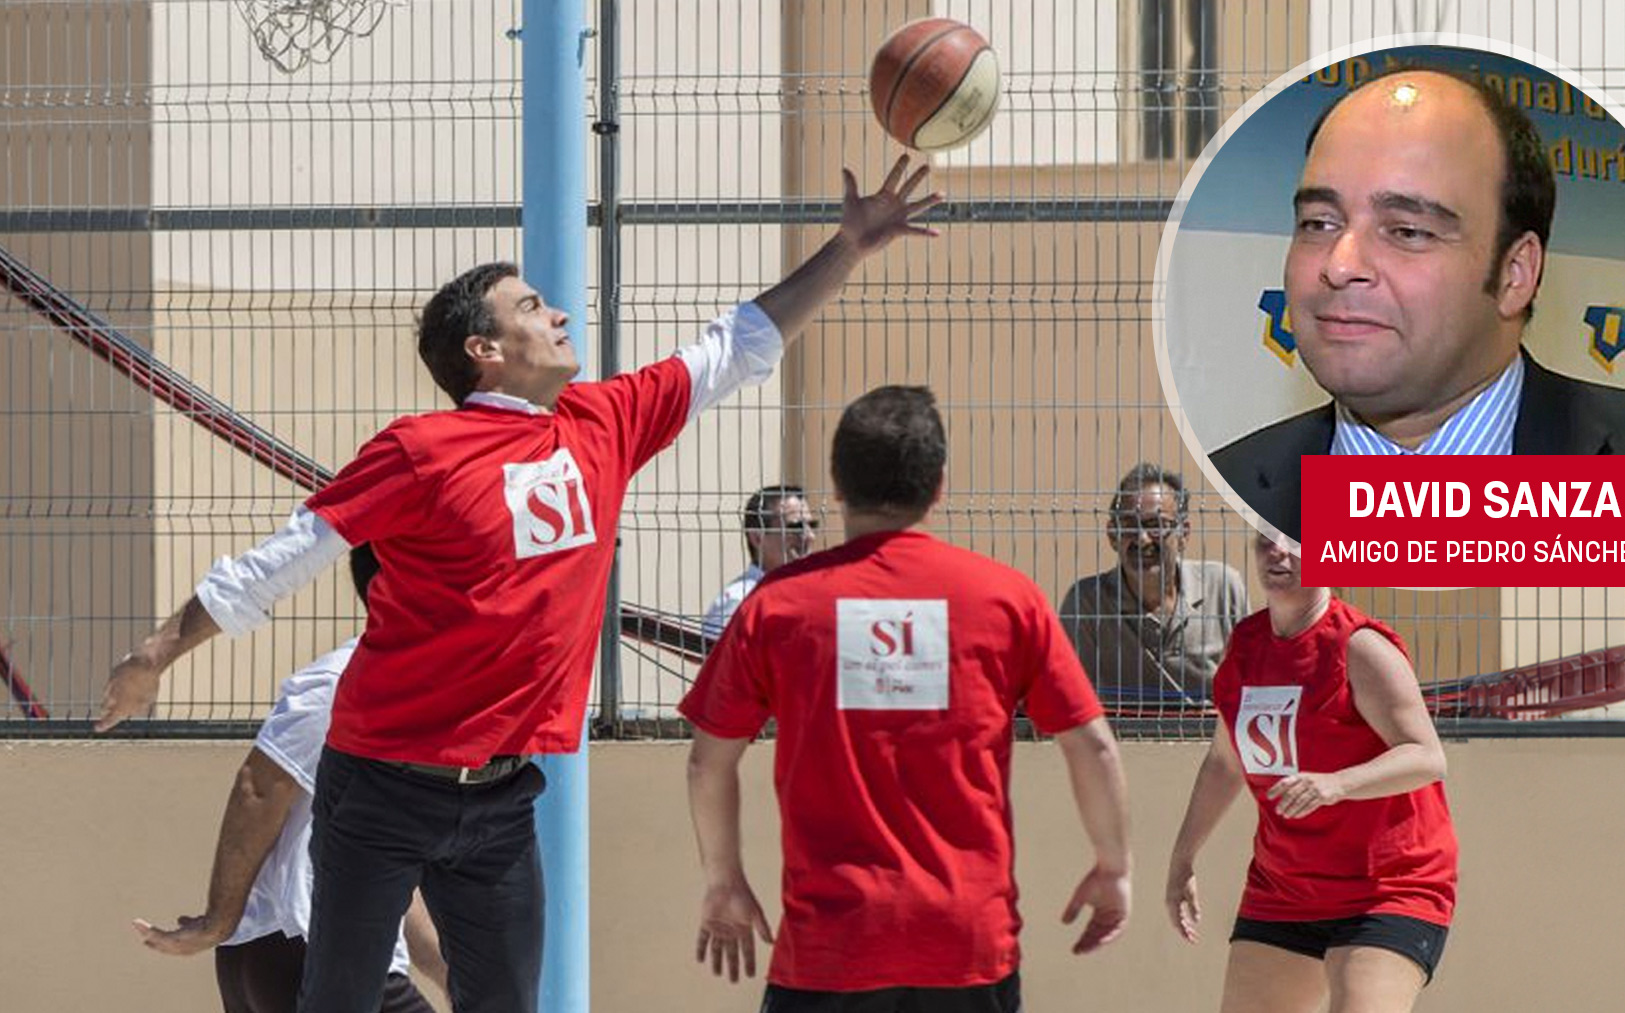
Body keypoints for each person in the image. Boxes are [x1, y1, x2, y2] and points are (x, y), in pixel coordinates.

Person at [94, 154, 944, 1013]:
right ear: (486, 351)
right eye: (533, 306)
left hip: (500, 796)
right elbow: (291, 552)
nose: (561, 311)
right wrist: (158, 650)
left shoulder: (605, 421)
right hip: (382, 779)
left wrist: (848, 247)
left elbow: (738, 346)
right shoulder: (422, 448)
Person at [680, 385, 1132, 1012]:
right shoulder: (1005, 599)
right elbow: (1094, 748)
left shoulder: (778, 606)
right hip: (968, 943)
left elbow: (709, 761)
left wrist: (724, 881)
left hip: (829, 949)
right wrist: (1114, 866)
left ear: (836, 486)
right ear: (939, 484)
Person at [1209, 65, 1625, 542]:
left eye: (1407, 231)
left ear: (1514, 274)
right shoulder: (1229, 490)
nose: (1340, 264)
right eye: (1318, 223)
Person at [131, 545, 448, 1013]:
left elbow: (394, 867)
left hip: (289, 954)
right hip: (300, 945)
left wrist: (446, 971)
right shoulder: (344, 680)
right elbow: (257, 788)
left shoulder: (417, 690)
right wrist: (219, 920)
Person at [1164, 534, 1457, 1013]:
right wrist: (1182, 858)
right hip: (1285, 889)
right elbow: (1224, 762)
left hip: (1387, 888)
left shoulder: (1360, 647)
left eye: (1298, 540)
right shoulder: (1247, 645)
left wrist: (1337, 783)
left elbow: (1425, 756)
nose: (1279, 550)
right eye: (1265, 539)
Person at [1059, 463, 1247, 710]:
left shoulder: (1222, 588)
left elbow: (1251, 685)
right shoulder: (1087, 604)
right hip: (1123, 743)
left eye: (1155, 525)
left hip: (1209, 741)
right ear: (1112, 536)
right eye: (1129, 525)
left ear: (1184, 534)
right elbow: (1068, 698)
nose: (1142, 538)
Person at [701, 484, 818, 640]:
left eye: (812, 525)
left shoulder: (814, 591)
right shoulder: (739, 601)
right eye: (795, 527)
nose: (810, 536)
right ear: (757, 538)